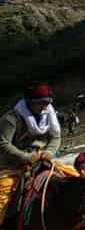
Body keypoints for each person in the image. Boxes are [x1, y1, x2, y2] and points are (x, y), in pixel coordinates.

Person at [0, 84, 62, 222]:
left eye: (48, 103)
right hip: (13, 166)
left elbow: (55, 136)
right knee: (1, 201)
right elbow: (3, 143)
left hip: (42, 159)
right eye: (43, 103)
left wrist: (49, 152)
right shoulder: (11, 119)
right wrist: (26, 157)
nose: (46, 107)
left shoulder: (48, 115)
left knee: (72, 178)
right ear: (31, 103)